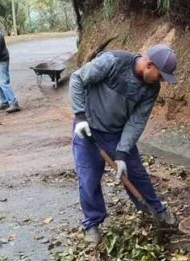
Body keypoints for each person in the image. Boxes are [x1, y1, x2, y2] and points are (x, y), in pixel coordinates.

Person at [68, 44, 180, 245]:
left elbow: (137, 121)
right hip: (88, 129)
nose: (161, 80)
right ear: (149, 64)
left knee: (136, 173)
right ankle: (92, 223)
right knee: (88, 178)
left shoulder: (151, 88)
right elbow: (77, 79)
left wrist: (121, 153)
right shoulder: (113, 62)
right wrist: (80, 116)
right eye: (161, 75)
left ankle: (156, 212)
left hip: (116, 134)